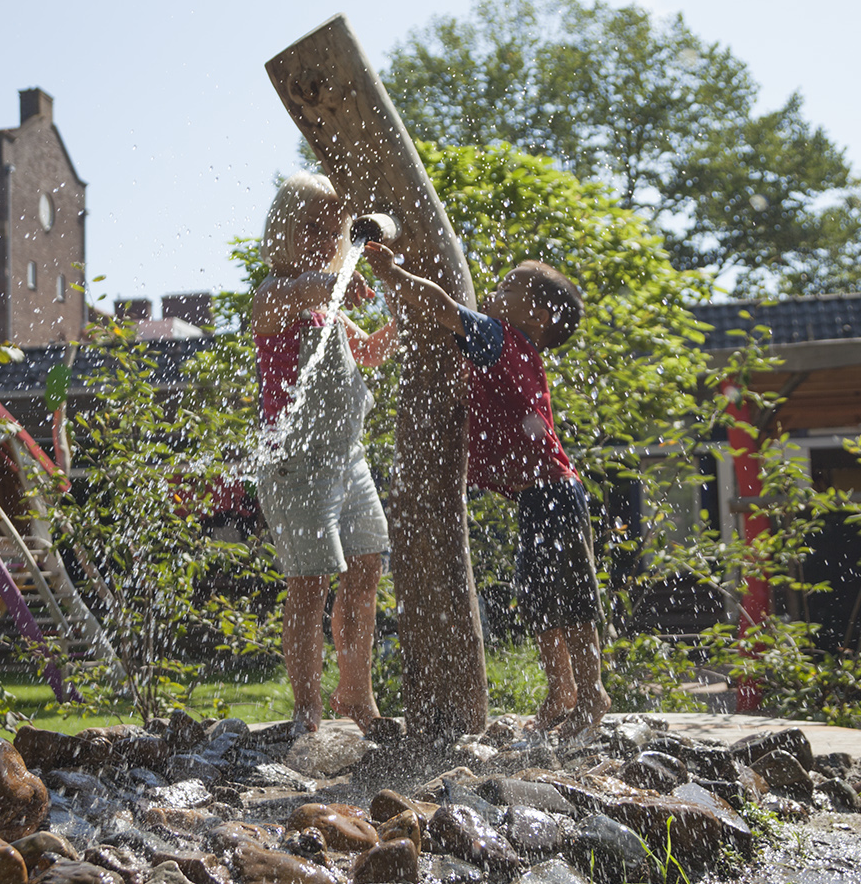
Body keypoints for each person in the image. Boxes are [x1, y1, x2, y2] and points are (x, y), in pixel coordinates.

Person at [363, 243, 612, 733]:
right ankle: (561, 691)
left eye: (507, 287)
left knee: (573, 600)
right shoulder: (505, 349)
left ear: (536, 315)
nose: (494, 290)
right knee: (540, 597)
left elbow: (441, 307)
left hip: (555, 492)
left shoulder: (501, 338)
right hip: (537, 498)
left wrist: (395, 271)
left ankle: (591, 694)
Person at [252, 173, 396, 732]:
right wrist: (326, 283)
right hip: (296, 467)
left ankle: (355, 693)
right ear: (282, 230)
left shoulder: (330, 308)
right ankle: (306, 706)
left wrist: (405, 310)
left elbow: (370, 354)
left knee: (366, 568)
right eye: (307, 225)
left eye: (329, 228)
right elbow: (293, 295)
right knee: (309, 583)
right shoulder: (275, 295)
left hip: (347, 460)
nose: (320, 236)